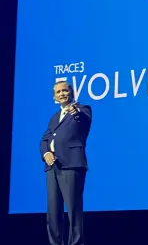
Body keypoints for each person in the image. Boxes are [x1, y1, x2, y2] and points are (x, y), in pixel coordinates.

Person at [40, 81, 92, 245]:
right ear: (55, 97)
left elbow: (83, 121)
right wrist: (46, 153)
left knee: (73, 210)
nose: (62, 94)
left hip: (71, 164)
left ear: (71, 92)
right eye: (58, 92)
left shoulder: (82, 109)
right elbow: (45, 139)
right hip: (52, 167)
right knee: (53, 211)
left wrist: (76, 112)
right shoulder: (55, 117)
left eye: (65, 90)